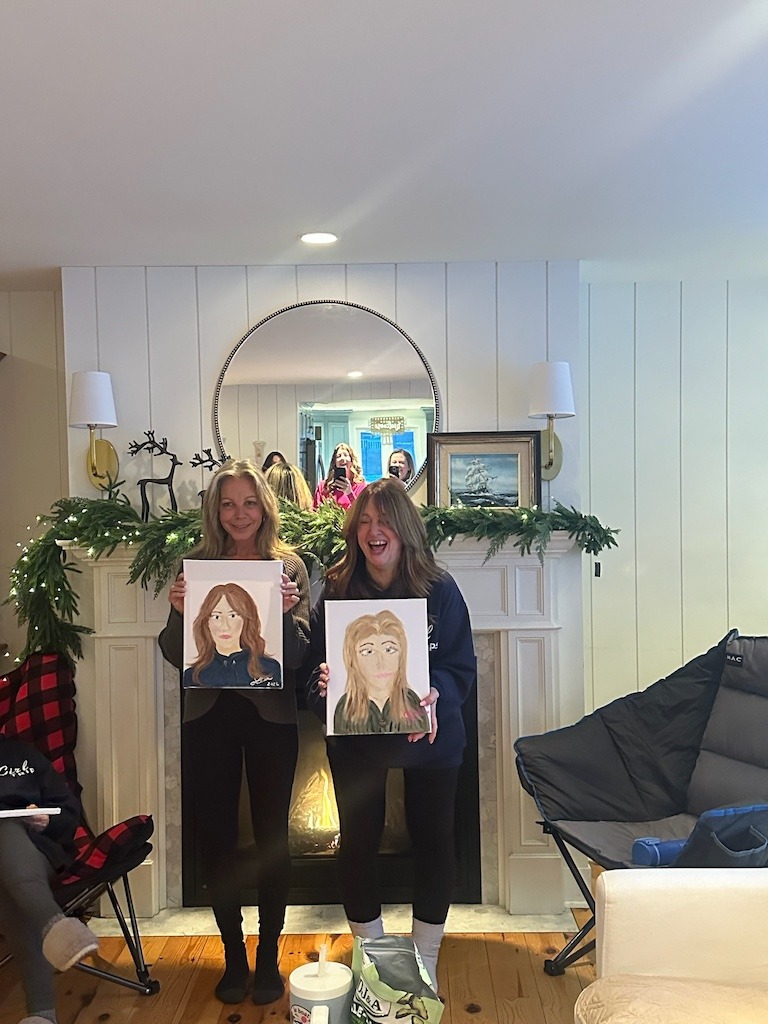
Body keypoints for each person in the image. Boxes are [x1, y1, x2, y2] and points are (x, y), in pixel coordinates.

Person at [307, 478, 476, 989]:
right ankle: (374, 956)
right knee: (357, 840)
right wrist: (322, 685)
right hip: (358, 737)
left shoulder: (439, 589)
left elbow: (459, 663)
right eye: (364, 521)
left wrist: (438, 692)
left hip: (429, 738)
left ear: (404, 529)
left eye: (383, 521)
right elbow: (314, 673)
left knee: (435, 839)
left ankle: (426, 955)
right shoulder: (336, 590)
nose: (373, 531)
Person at [159, 459, 309, 1006]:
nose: (239, 513)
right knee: (217, 838)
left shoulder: (289, 566)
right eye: (229, 503)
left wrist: (290, 615)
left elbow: (296, 660)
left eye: (249, 502)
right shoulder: (193, 566)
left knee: (273, 838)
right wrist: (179, 612)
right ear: (215, 511)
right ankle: (233, 955)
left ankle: (268, 955)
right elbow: (177, 655)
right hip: (208, 720)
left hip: (273, 721)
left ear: (264, 507)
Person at [0, 734, 99, 1024]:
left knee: (6, 837)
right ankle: (54, 925)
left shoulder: (22, 754)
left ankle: (42, 1013)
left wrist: (47, 820)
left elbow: (68, 809)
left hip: (36, 851)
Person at [333, 610, 429, 735]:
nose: (380, 662)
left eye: (389, 649)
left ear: (402, 654)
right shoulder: (346, 707)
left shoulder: (413, 702)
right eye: (368, 652)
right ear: (353, 660)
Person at [183, 582, 282, 689]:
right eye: (217, 617)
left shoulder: (268, 669)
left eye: (232, 616)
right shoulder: (193, 675)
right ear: (206, 622)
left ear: (246, 620)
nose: (225, 626)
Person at [313, 443, 366, 511]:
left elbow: (362, 512)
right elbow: (315, 510)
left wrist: (349, 493)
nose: (342, 458)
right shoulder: (323, 486)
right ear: (334, 462)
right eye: (338, 456)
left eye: (346, 455)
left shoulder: (361, 486)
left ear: (352, 461)